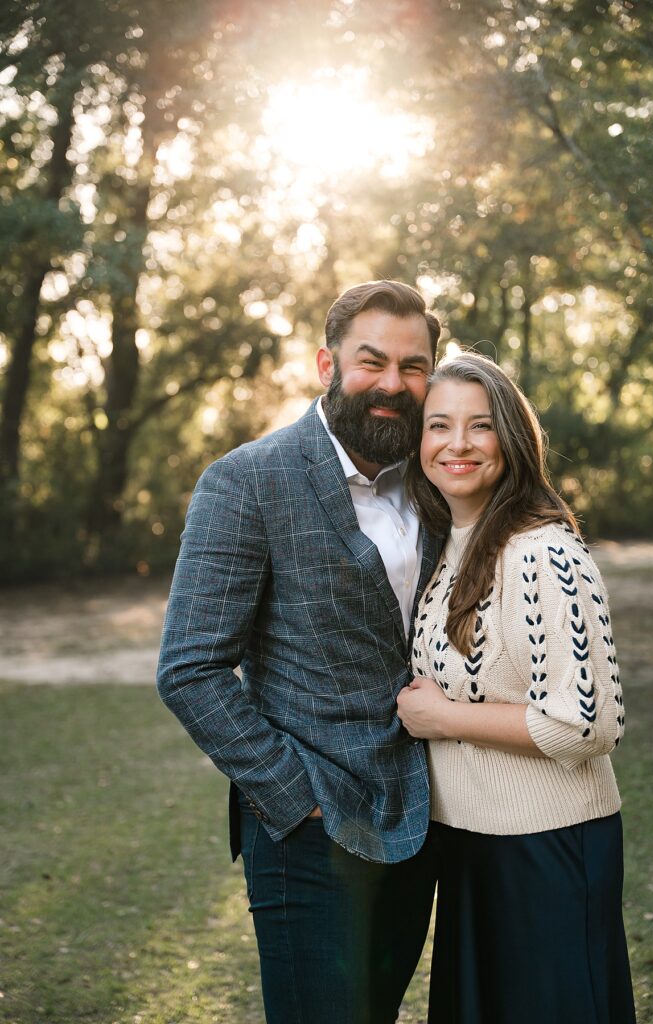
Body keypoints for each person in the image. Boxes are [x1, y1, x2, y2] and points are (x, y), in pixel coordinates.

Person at [157, 281, 445, 1024]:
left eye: (412, 367)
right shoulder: (246, 481)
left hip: (424, 816)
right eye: (370, 361)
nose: (391, 384)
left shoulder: (438, 483)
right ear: (327, 363)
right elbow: (190, 668)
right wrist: (295, 797)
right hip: (310, 832)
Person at [397, 352, 636, 1024]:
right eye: (438, 426)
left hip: (548, 846)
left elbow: (588, 724)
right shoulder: (453, 545)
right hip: (469, 843)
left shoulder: (544, 551)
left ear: (511, 436)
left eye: (479, 426)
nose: (458, 444)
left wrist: (445, 718)